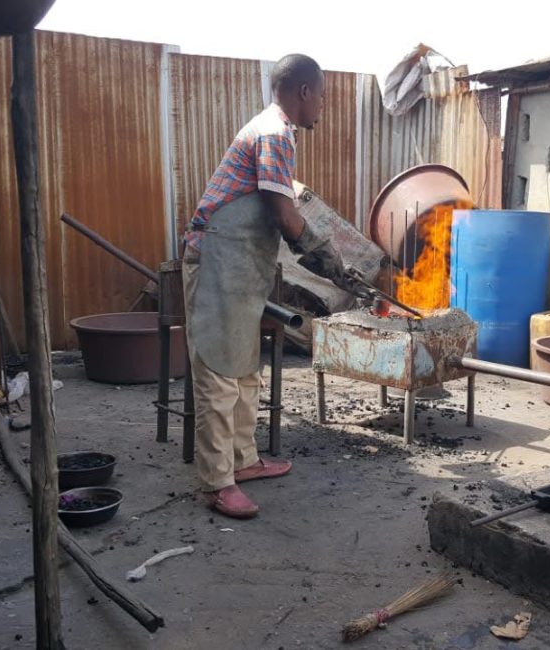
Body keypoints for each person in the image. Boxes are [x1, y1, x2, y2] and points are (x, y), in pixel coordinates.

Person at [183, 53, 347, 519]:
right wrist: (324, 257)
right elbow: (284, 214)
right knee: (217, 371)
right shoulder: (273, 134)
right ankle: (217, 482)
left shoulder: (273, 131)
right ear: (303, 92)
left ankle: (244, 460)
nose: (322, 107)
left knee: (242, 368)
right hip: (218, 260)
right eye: (321, 96)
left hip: (239, 265)